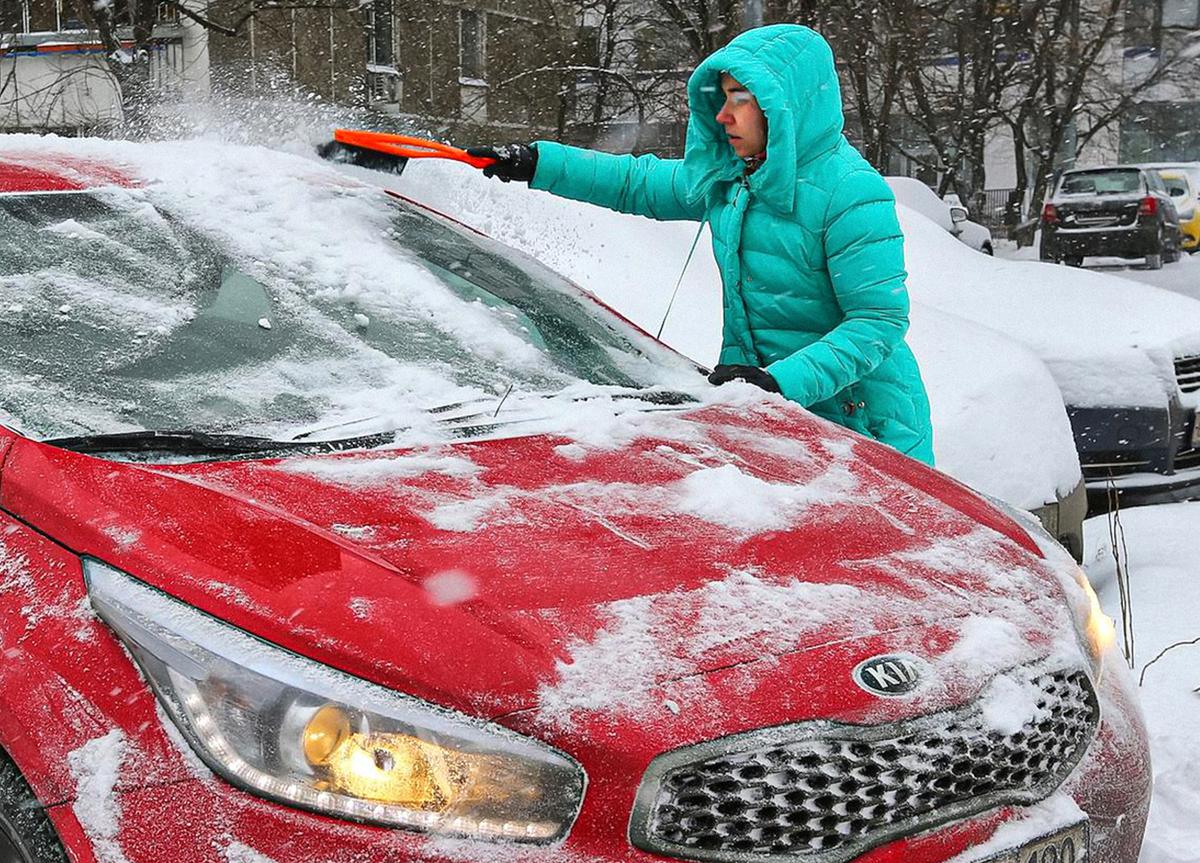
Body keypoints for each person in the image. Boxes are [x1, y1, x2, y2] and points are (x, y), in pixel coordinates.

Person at [468, 24, 934, 465]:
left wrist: (781, 381)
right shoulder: (732, 179)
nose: (724, 115)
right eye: (723, 98)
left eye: (742, 99)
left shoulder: (850, 192)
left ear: (783, 107)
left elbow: (879, 322)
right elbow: (636, 182)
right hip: (773, 411)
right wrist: (537, 163)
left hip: (866, 422)